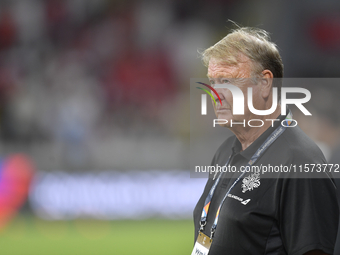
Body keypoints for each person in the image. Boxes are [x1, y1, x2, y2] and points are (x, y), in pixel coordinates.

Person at [192, 27, 339, 255]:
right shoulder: (225, 151)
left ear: (264, 84)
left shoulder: (300, 162)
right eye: (213, 81)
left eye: (227, 81)